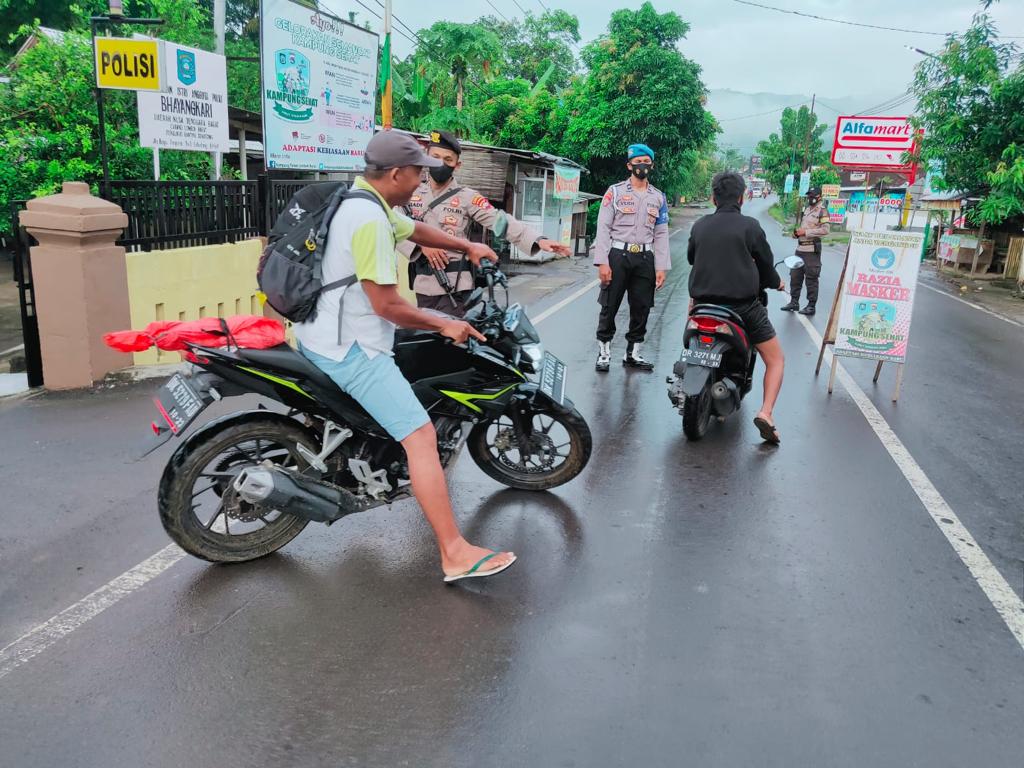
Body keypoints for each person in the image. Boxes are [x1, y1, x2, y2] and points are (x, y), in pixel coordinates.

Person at [293, 130, 516, 583]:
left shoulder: (357, 199)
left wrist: (467, 245)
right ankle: (454, 552)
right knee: (420, 436)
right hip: (352, 347)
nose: (421, 182)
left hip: (320, 332)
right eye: (418, 173)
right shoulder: (370, 222)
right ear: (397, 174)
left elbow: (414, 230)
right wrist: (444, 323)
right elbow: (388, 306)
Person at [400, 130, 569, 316]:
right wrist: (421, 245)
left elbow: (499, 220)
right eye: (435, 157)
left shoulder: (467, 197)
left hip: (456, 287)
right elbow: (393, 225)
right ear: (427, 157)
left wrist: (538, 239)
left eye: (448, 160)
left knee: (454, 333)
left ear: (457, 165)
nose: (441, 163)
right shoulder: (409, 193)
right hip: (423, 284)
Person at [686, 171, 787, 444]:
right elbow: (766, 267)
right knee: (776, 360)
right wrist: (777, 282)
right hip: (742, 308)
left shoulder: (700, 225)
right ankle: (766, 413)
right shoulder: (751, 227)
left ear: (713, 198)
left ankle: (691, 365)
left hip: (702, 306)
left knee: (690, 328)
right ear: (743, 197)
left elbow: (692, 257)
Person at [593, 143, 670, 372]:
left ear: (652, 165)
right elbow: (603, 227)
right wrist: (602, 262)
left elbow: (661, 233)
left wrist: (661, 267)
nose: (642, 166)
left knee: (642, 306)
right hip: (618, 255)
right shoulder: (615, 192)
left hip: (645, 257)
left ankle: (633, 353)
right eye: (637, 162)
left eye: (646, 162)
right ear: (629, 165)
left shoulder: (658, 197)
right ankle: (604, 352)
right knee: (609, 305)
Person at [781, 186, 830, 316]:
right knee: (795, 276)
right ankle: (794, 302)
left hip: (811, 250)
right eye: (809, 195)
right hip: (800, 249)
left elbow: (825, 230)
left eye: (812, 195)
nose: (810, 198)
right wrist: (797, 233)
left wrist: (806, 232)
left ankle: (811, 306)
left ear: (819, 197)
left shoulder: (822, 211)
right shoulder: (807, 209)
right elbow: (803, 227)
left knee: (811, 279)